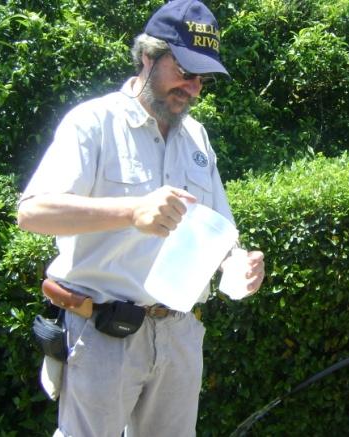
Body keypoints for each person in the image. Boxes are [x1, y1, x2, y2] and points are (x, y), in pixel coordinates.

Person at [17, 0, 265, 435]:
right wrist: (131, 211)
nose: (192, 89)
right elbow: (33, 212)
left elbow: (218, 232)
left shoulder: (196, 136)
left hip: (180, 333)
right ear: (147, 57)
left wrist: (236, 265)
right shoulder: (92, 123)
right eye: (184, 72)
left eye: (201, 79)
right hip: (103, 334)